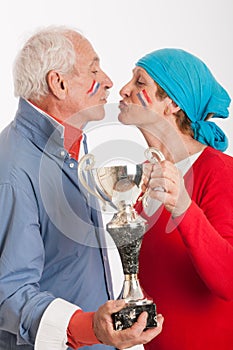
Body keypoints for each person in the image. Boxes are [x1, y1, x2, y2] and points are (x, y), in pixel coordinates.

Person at [0, 26, 164, 350]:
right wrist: (90, 328)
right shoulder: (15, 170)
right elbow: (10, 294)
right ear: (58, 83)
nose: (108, 81)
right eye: (93, 69)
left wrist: (131, 187)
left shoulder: (70, 146)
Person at [118, 48, 233, 349]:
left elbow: (228, 280)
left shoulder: (219, 170)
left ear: (172, 103)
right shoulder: (146, 182)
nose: (124, 90)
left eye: (139, 83)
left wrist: (183, 207)